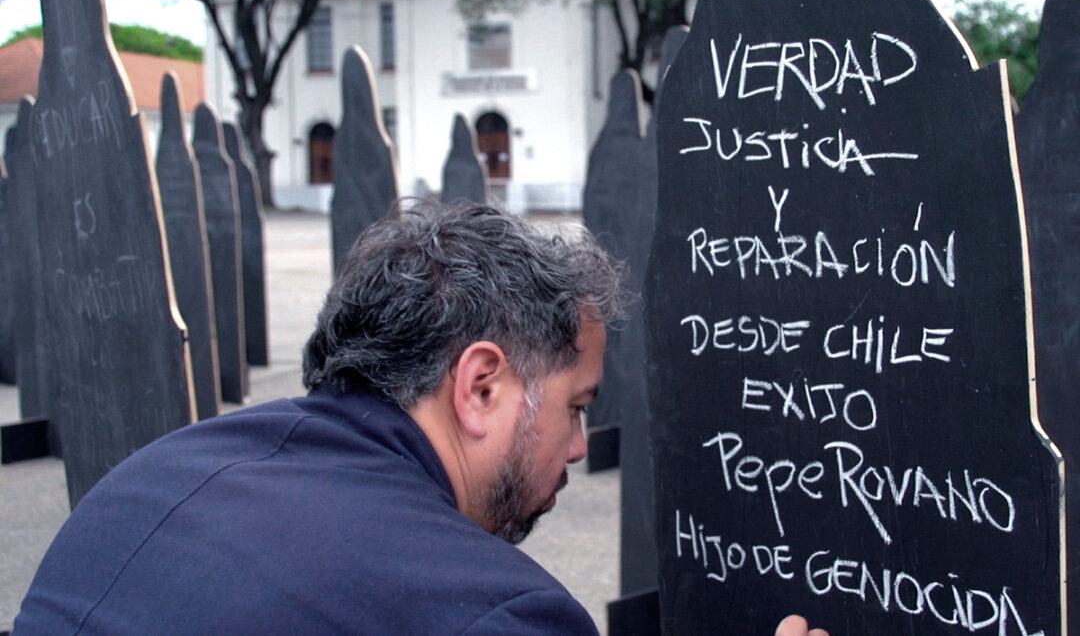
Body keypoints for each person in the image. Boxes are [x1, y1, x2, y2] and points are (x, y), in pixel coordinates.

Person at [14, 201, 826, 635]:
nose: (581, 445)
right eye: (576, 405)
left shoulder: (141, 484)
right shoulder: (495, 613)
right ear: (481, 386)